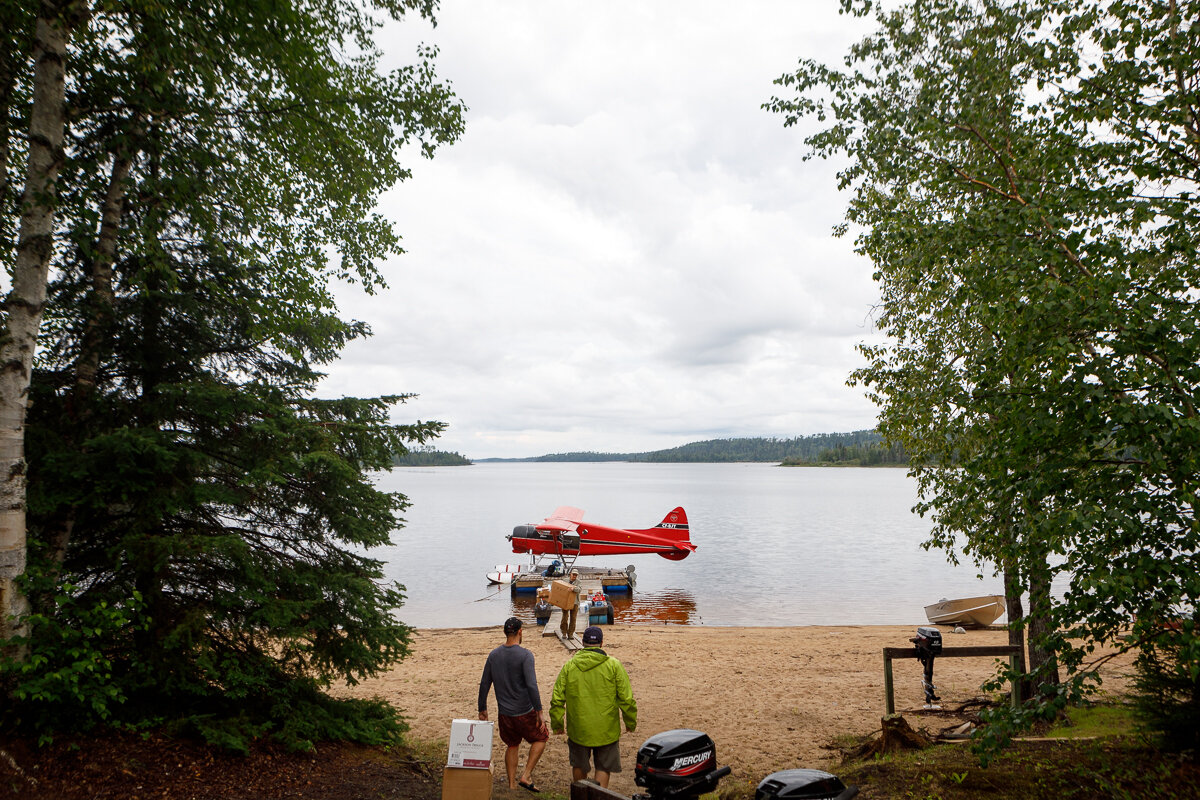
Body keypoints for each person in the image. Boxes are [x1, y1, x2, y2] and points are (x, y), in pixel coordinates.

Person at [549, 626, 637, 789]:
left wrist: (557, 724)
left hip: (579, 728)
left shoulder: (570, 666)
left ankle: (580, 796)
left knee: (579, 765)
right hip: (606, 729)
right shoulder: (614, 665)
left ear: (582, 643)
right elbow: (627, 699)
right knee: (603, 766)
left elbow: (557, 698)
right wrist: (630, 722)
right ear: (602, 644)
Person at [478, 617, 550, 792]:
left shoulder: (494, 655)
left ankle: (511, 785)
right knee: (541, 737)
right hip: (524, 711)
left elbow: (485, 683)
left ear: (505, 632)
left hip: (505, 714)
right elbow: (532, 685)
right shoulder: (525, 655)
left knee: (512, 744)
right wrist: (539, 711)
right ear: (520, 631)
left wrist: (482, 708)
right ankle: (525, 775)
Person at [559, 568, 583, 639]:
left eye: (576, 575)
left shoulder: (579, 582)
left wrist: (573, 588)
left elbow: (579, 589)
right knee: (565, 617)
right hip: (565, 602)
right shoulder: (565, 580)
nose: (574, 576)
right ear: (570, 574)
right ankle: (564, 632)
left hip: (575, 602)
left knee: (573, 618)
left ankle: (570, 634)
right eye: (573, 574)